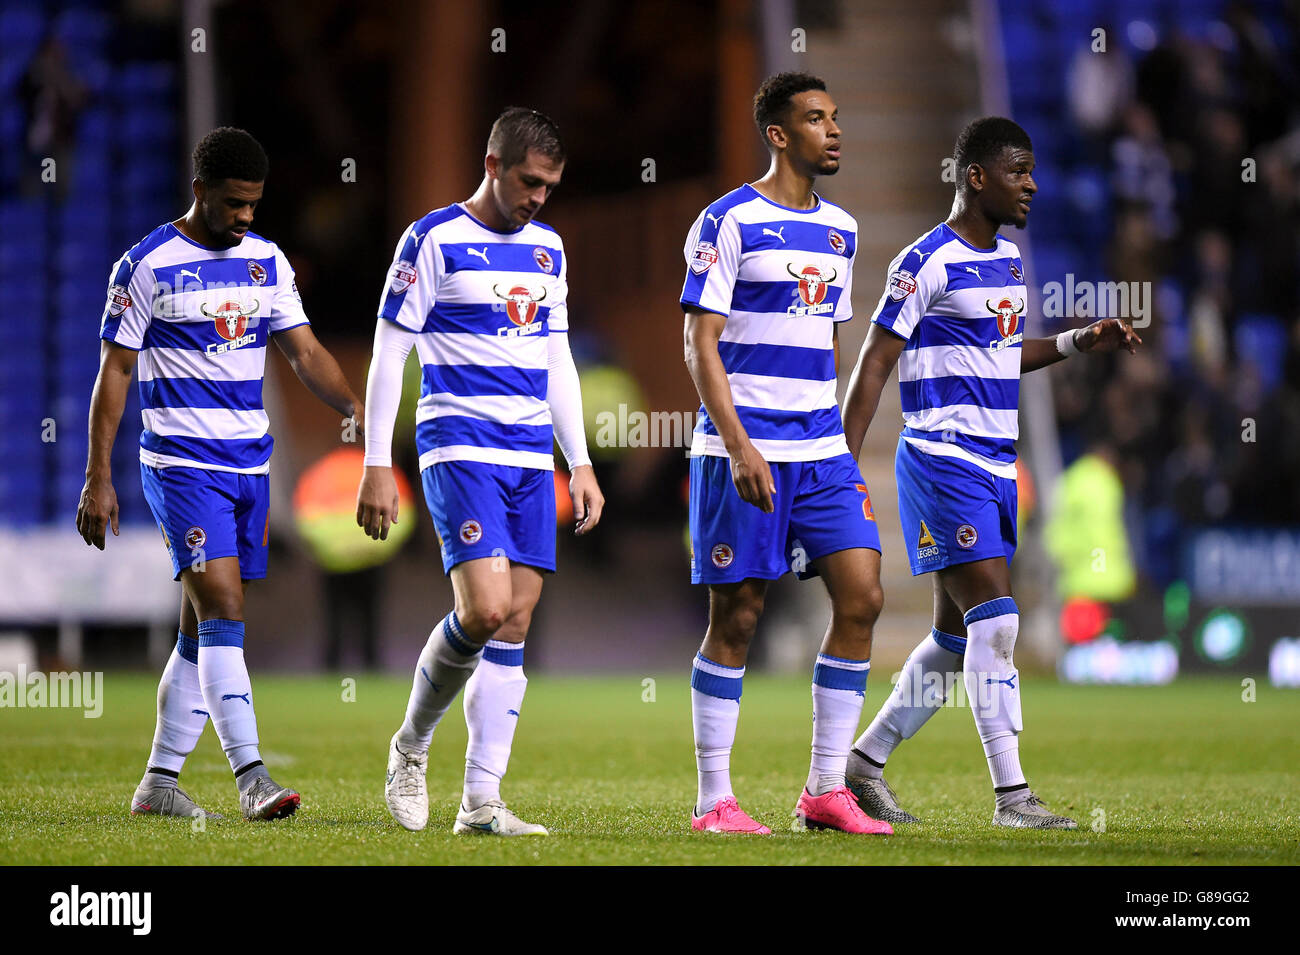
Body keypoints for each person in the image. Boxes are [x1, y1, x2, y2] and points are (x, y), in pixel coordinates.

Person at [841, 116, 1142, 828]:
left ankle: (863, 765)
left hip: (995, 464)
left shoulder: (1007, 261)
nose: (1032, 183)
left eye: (1033, 170)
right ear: (976, 177)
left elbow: (999, 354)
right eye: (1018, 170)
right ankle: (1013, 797)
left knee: (955, 638)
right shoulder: (924, 261)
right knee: (999, 621)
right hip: (944, 458)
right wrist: (837, 462)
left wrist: (1075, 340)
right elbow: (875, 361)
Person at [76, 127, 364, 822]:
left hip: (248, 467)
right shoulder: (146, 266)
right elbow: (114, 372)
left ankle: (157, 783)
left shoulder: (266, 261)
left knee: (197, 630)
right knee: (227, 610)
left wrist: (356, 405)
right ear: (199, 189)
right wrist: (97, 476)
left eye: (255, 205)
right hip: (181, 466)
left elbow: (304, 351)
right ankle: (252, 776)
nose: (245, 216)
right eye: (233, 203)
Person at [358, 107, 603, 836]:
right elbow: (388, 353)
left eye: (550, 186)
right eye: (529, 181)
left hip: (530, 452)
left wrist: (580, 460)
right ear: (492, 163)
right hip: (458, 441)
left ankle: (482, 802)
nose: (538, 197)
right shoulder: (433, 239)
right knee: (485, 607)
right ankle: (410, 745)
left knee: (516, 620)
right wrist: (375, 462)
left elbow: (557, 359)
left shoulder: (549, 249)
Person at [680, 72, 891, 836]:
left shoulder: (844, 229)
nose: (833, 131)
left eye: (835, 117)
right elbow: (698, 341)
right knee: (738, 614)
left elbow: (827, 341)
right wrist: (738, 445)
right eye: (815, 119)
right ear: (777, 133)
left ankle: (824, 790)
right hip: (743, 447)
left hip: (820, 448)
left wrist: (832, 440)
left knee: (863, 594)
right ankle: (714, 800)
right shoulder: (727, 220)